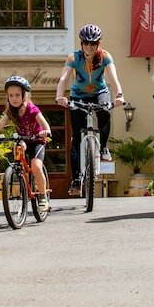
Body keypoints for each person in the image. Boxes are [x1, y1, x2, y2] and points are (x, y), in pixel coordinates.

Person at [56, 23, 125, 196]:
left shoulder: (105, 57)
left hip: (99, 93)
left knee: (105, 110)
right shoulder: (74, 58)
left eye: (93, 44)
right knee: (77, 139)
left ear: (98, 44)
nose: (89, 47)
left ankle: (102, 148)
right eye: (86, 43)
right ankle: (76, 179)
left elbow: (113, 77)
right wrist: (60, 96)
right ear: (81, 44)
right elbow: (64, 77)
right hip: (78, 95)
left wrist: (119, 95)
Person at [0, 75, 52, 213]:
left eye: (17, 95)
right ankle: (19, 173)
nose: (14, 98)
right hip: (23, 139)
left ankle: (43, 196)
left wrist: (46, 131)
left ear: (24, 96)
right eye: (11, 95)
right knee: (19, 146)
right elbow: (0, 124)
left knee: (36, 166)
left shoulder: (32, 109)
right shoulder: (11, 111)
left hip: (37, 140)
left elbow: (44, 124)